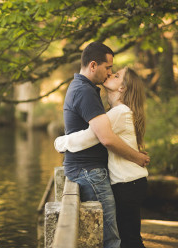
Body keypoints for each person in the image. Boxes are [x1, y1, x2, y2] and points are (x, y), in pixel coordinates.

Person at [59, 42, 149, 248]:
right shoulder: (97, 99)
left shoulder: (118, 111)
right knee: (124, 238)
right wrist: (136, 156)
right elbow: (102, 137)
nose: (110, 74)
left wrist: (61, 142)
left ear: (123, 88)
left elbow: (95, 136)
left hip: (128, 182)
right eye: (109, 69)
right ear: (93, 65)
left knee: (125, 239)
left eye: (115, 74)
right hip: (120, 179)